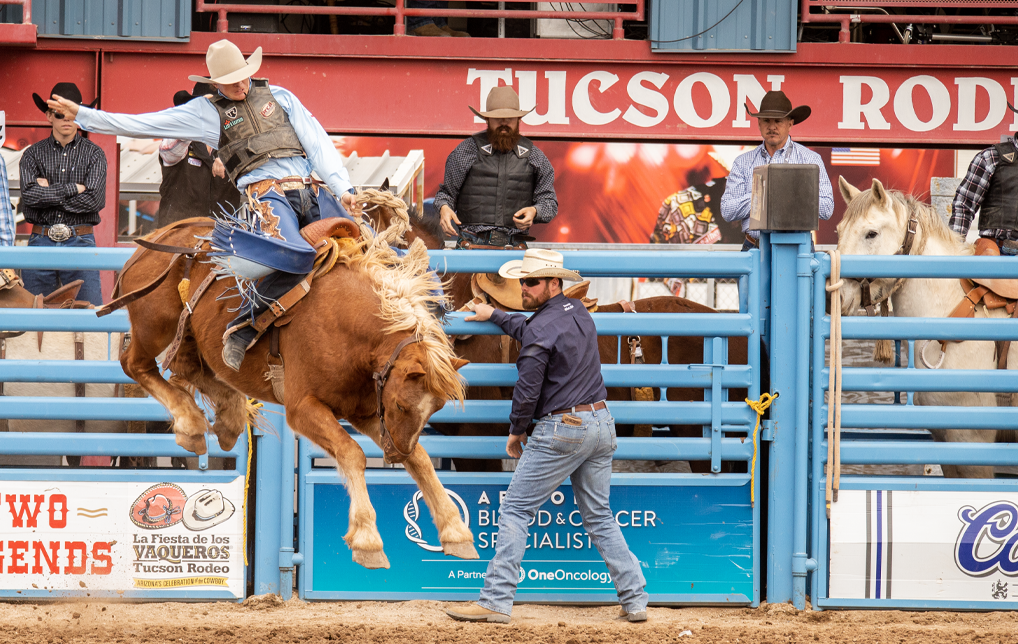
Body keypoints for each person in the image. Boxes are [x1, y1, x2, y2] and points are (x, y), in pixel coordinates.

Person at [48, 39, 361, 371]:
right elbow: (141, 124)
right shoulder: (204, 112)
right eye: (230, 81)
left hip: (311, 190)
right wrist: (83, 115)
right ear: (216, 84)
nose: (240, 85)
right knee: (293, 256)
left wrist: (343, 188)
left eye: (243, 76)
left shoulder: (281, 97)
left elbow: (317, 142)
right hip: (267, 197)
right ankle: (245, 324)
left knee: (366, 243)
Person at [445, 249, 649, 624]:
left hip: (564, 428)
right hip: (601, 423)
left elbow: (527, 390)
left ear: (553, 283)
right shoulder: (579, 312)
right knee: (600, 516)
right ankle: (635, 599)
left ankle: (495, 600)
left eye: (531, 281)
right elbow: (534, 329)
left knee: (515, 509)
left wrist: (516, 431)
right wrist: (496, 315)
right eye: (522, 281)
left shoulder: (540, 329)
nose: (524, 287)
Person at [434, 86, 557, 249]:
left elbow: (549, 203)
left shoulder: (535, 157)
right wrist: (444, 208)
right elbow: (446, 194)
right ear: (487, 120)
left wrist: (535, 211)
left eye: (510, 118)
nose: (504, 123)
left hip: (514, 246)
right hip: (471, 245)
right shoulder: (465, 151)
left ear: (519, 120)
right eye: (498, 119)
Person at [20, 82, 107, 306]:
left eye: (72, 114)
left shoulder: (95, 154)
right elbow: (29, 198)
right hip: (41, 239)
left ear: (80, 116)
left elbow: (95, 200)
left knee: (89, 316)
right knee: (33, 317)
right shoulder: (32, 154)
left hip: (80, 240)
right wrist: (73, 188)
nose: (66, 119)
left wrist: (47, 193)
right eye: (60, 114)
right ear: (49, 116)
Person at [720, 90, 833, 251]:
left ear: (790, 124)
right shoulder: (742, 162)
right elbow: (727, 210)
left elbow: (827, 208)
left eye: (778, 121)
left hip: (798, 249)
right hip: (755, 247)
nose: (772, 127)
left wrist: (787, 197)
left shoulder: (811, 159)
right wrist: (764, 198)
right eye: (766, 120)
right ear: (759, 123)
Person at [156, 82, 241, 227]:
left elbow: (260, 161)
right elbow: (168, 150)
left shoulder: (235, 145)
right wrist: (193, 118)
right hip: (178, 234)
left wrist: (229, 157)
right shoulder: (179, 139)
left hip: (221, 235)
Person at [950, 104, 1018, 249]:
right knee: (988, 252)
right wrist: (954, 249)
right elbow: (964, 203)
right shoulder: (991, 157)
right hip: (998, 250)